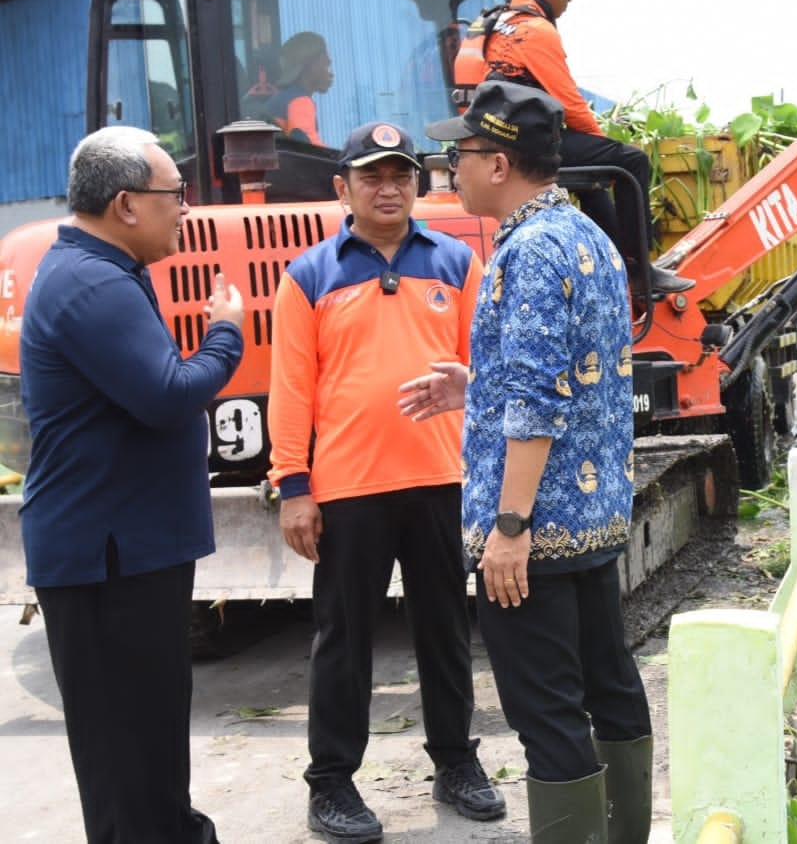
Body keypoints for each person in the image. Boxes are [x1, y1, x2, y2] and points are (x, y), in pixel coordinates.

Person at [408, 81, 653, 843]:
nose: (452, 169)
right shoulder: (588, 237)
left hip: (535, 530)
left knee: (545, 712)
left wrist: (509, 526)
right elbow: (571, 373)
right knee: (609, 686)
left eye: (462, 154)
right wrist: (474, 385)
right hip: (590, 517)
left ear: (501, 162)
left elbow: (541, 402)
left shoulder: (529, 251)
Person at [266, 121, 505, 842]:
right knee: (343, 640)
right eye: (372, 176)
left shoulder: (458, 263)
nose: (389, 187)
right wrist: (293, 485)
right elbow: (292, 389)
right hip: (349, 488)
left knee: (444, 629)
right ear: (342, 189)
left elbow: (485, 372)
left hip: (441, 478)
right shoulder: (309, 275)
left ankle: (456, 762)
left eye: (402, 174)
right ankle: (331, 783)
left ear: (420, 183)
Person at [20, 125, 245, 843]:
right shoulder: (90, 283)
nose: (184, 208)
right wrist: (226, 334)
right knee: (127, 760)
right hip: (106, 561)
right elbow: (168, 394)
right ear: (125, 204)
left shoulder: (106, 271)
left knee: (146, 746)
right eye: (174, 195)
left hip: (125, 552)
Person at [451, 0, 695, 296]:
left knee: (591, 178)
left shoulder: (495, 23)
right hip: (525, 142)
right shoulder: (535, 30)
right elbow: (570, 104)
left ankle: (617, 262)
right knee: (629, 160)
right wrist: (606, 145)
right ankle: (641, 274)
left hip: (495, 135)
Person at [265, 31, 334, 145]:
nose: (331, 73)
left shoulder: (281, 98)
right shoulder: (300, 101)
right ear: (310, 66)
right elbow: (311, 151)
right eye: (326, 65)